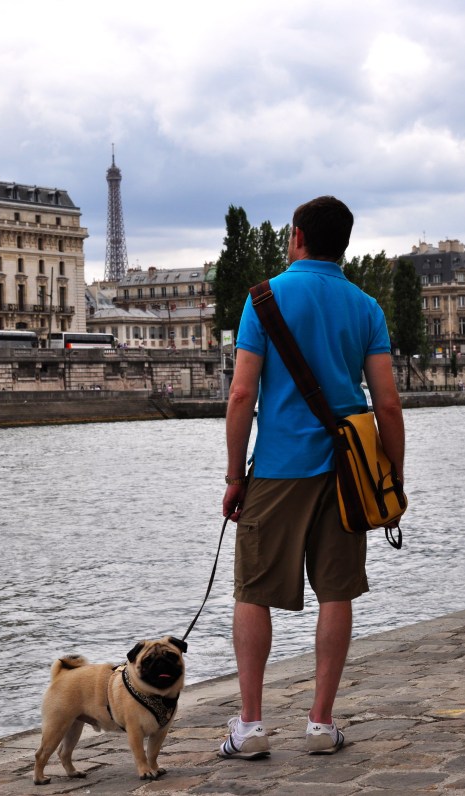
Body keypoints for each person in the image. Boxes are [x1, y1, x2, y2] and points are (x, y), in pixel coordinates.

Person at [219, 196, 405, 760]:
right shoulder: (366, 305)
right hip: (348, 473)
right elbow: (389, 404)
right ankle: (321, 723)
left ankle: (250, 726)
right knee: (337, 592)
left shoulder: (264, 299)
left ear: (296, 235)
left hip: (277, 469)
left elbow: (242, 394)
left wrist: (234, 475)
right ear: (344, 244)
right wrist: (391, 478)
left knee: (253, 592)